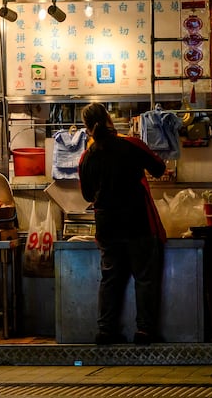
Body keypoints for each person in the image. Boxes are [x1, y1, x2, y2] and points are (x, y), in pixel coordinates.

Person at [78, 103, 167, 345]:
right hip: (137, 222)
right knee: (145, 278)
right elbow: (159, 168)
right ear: (109, 119)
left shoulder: (87, 156)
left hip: (107, 227)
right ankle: (145, 331)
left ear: (87, 127)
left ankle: (106, 330)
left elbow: (87, 195)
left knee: (111, 278)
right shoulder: (130, 144)